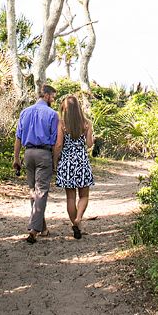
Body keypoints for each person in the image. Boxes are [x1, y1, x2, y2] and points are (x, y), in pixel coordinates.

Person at [13, 84, 58, 244]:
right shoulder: (53, 114)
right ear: (46, 95)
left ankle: (42, 227)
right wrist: (55, 162)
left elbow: (18, 137)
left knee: (34, 191)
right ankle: (33, 229)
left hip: (28, 153)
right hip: (44, 154)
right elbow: (54, 142)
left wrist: (16, 158)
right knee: (41, 191)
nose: (53, 99)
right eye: (53, 96)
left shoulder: (25, 112)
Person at [54, 95, 94, 239]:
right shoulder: (87, 123)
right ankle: (78, 219)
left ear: (65, 109)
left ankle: (75, 224)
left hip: (67, 163)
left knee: (70, 198)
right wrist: (91, 138)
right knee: (84, 196)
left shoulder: (62, 124)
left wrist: (55, 161)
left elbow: (59, 144)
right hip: (82, 162)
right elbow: (89, 144)